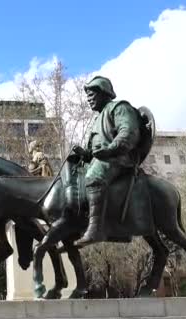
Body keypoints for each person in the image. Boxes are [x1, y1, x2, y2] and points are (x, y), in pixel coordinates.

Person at [69, 75, 146, 247]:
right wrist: (86, 153)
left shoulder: (119, 108)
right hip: (104, 158)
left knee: (93, 177)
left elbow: (128, 133)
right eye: (87, 96)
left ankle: (96, 230)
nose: (89, 100)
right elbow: (96, 149)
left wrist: (109, 150)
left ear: (104, 93)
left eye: (92, 95)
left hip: (119, 158)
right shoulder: (98, 118)